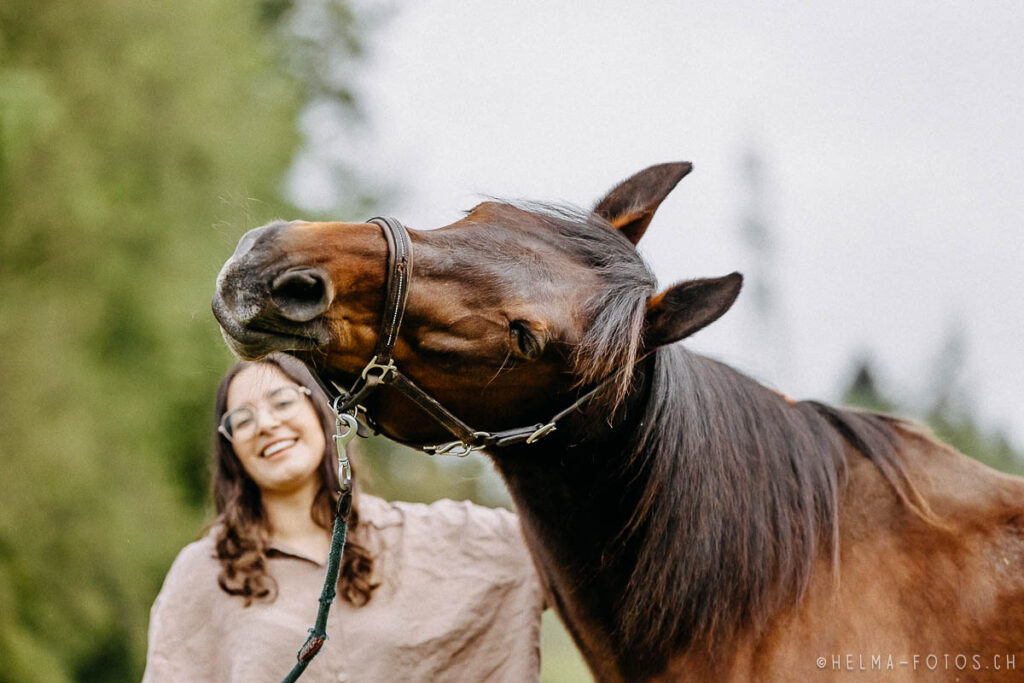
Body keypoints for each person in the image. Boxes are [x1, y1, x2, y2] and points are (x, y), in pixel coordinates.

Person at [144, 353, 545, 682]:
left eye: (282, 401)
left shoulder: (443, 538)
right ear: (232, 450)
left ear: (321, 411)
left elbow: (570, 547)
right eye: (242, 420)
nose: (265, 424)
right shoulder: (203, 575)